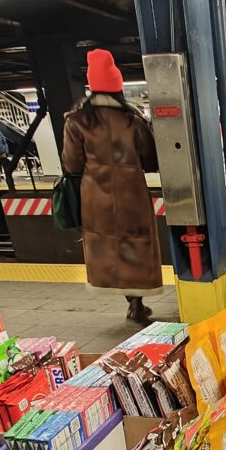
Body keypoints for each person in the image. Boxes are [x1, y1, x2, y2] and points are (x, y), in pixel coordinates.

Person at [61, 48, 161, 324]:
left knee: (109, 249)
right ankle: (138, 301)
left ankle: (130, 301)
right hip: (133, 195)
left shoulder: (76, 121)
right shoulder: (133, 120)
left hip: (96, 197)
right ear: (117, 87)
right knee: (136, 248)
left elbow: (71, 164)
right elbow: (152, 160)